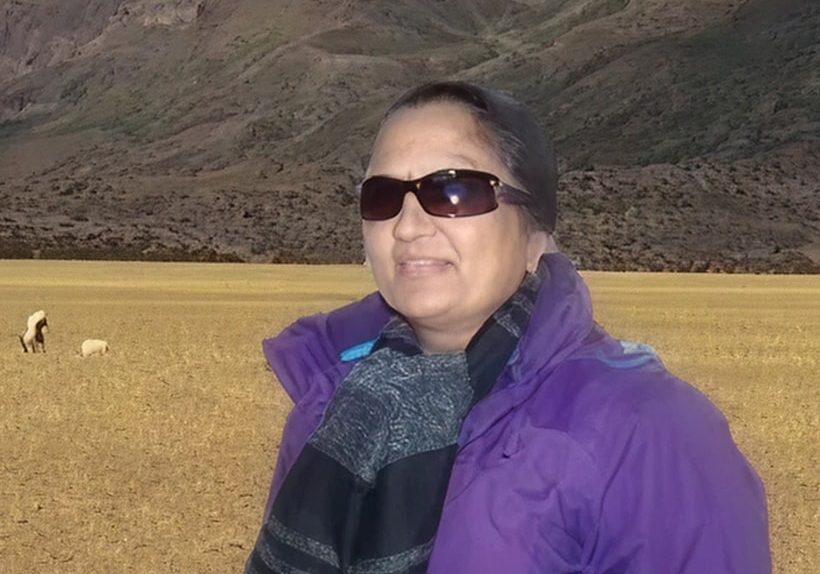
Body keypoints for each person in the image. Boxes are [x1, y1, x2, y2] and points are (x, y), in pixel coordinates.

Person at [245, 81, 771, 573]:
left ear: (535, 233)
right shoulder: (330, 400)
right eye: (382, 196)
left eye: (454, 191)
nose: (406, 226)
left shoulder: (649, 429)